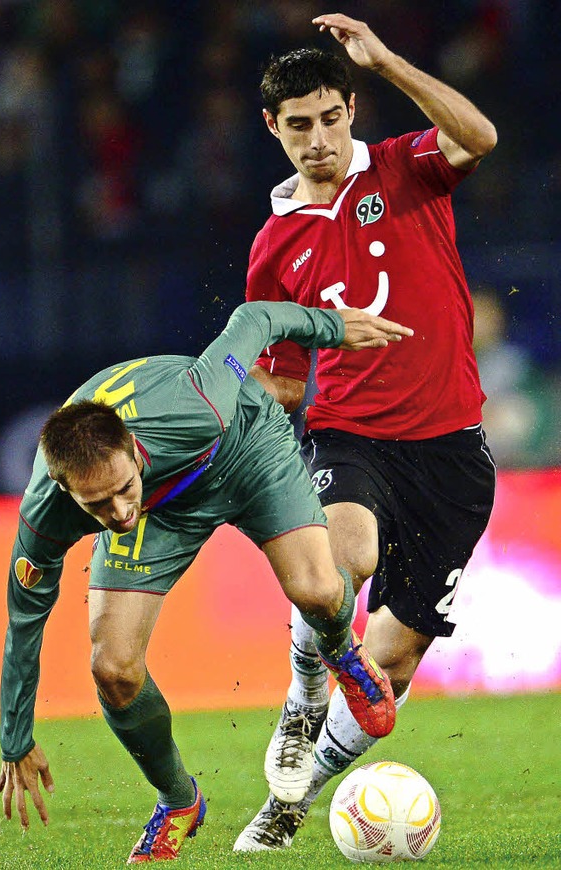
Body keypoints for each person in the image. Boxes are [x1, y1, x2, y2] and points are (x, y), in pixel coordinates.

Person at [0, 299, 413, 863]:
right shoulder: (45, 516)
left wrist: (334, 327)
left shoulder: (195, 404)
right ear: (65, 491)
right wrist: (15, 739)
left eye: (122, 486)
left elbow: (254, 321)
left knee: (316, 589)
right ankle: (179, 801)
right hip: (163, 509)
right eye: (97, 504)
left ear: (130, 447)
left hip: (243, 449)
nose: (117, 512)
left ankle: (342, 652)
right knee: (113, 669)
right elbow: (26, 619)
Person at [234, 11, 497, 852]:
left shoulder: (406, 166)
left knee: (387, 676)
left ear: (353, 107)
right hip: (351, 437)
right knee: (344, 563)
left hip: (454, 451)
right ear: (273, 127)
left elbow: (480, 135)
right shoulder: (275, 246)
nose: (318, 139)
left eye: (331, 116)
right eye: (299, 125)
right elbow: (281, 379)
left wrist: (385, 60)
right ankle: (303, 695)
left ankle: (292, 796)